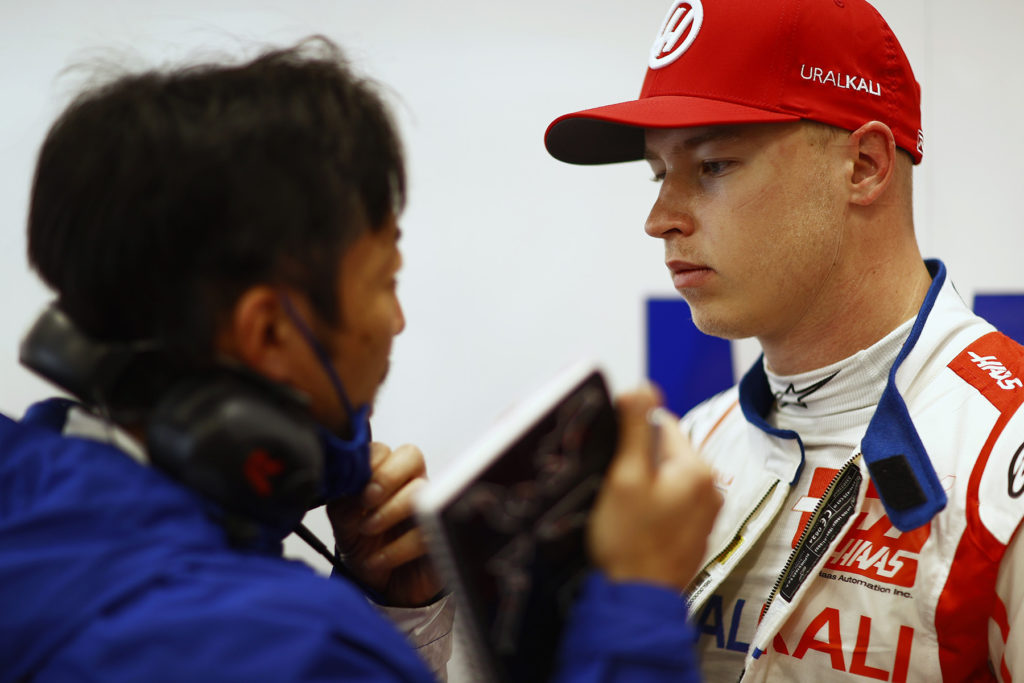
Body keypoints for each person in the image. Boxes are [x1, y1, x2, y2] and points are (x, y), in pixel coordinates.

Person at [0, 37, 722, 682]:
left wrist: (387, 616)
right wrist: (633, 605)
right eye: (386, 280)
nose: (398, 319)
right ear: (269, 334)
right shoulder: (287, 647)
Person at [544, 0, 1023, 681]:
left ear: (864, 164)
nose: (660, 218)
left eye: (711, 165)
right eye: (658, 173)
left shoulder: (1003, 456)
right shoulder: (698, 446)